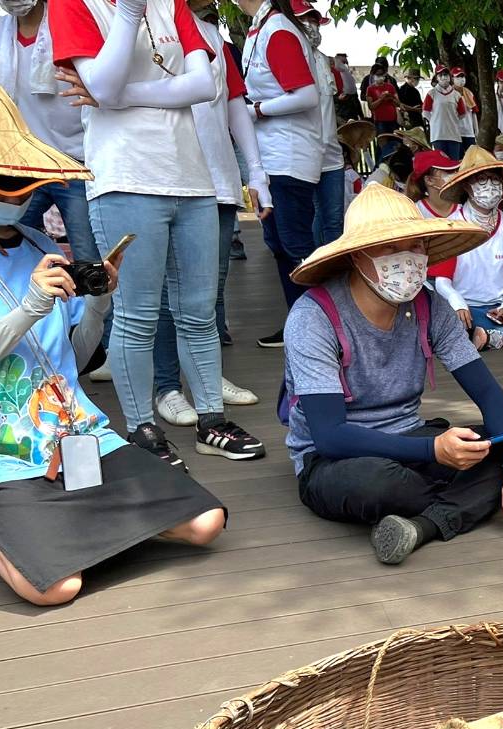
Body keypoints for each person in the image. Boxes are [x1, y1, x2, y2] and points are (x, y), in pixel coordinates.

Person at [0, 77, 224, 604]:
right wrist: (31, 307)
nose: (11, 191)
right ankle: (8, 528)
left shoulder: (38, 243)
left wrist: (98, 301)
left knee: (206, 522)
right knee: (57, 589)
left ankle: (65, 526)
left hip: (76, 432)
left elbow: (77, 355)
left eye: (17, 179)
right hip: (0, 451)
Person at [52, 0, 265, 464]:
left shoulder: (173, 4)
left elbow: (203, 85)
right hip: (124, 178)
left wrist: (122, 96)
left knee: (199, 312)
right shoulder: (72, 4)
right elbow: (102, 84)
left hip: (192, 178)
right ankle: (141, 428)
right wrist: (130, 13)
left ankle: (212, 420)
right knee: (137, 315)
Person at [284, 184, 503, 564]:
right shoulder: (314, 317)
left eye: (416, 245)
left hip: (411, 437)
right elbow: (329, 435)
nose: (406, 259)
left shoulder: (430, 307)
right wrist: (434, 451)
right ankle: (458, 503)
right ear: (356, 255)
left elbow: (488, 394)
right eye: (389, 248)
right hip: (338, 459)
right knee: (378, 484)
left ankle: (421, 527)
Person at [152, 0, 267, 427]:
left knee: (208, 292)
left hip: (216, 179)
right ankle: (166, 386)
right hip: (164, 177)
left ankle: (207, 378)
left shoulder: (213, 36)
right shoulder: (141, 23)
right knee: (166, 295)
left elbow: (234, 103)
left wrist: (256, 171)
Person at [229, 0, 323, 327]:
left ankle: (321, 328)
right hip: (273, 158)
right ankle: (300, 326)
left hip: (288, 157)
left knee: (296, 247)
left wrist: (257, 110)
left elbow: (306, 95)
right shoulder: (263, 28)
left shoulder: (278, 29)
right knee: (281, 246)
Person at [0, 0, 92, 266]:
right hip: (25, 168)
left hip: (77, 161)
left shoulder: (71, 21)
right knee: (6, 247)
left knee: (88, 260)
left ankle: (85, 296)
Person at [429, 147, 503, 350]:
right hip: (469, 309)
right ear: (466, 186)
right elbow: (442, 283)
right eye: (482, 180)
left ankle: (500, 335)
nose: (490, 186)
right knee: (449, 316)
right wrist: (457, 303)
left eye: (495, 179)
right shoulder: (452, 226)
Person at [292, 0, 343, 252]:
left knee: (334, 220)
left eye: (314, 21)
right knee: (309, 219)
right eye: (305, 20)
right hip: (304, 153)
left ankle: (333, 269)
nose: (312, 26)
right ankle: (315, 267)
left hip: (331, 153)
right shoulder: (289, 59)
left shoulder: (324, 61)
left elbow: (338, 97)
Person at [424, 66, 466, 161]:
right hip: (438, 135)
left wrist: (452, 120)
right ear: (437, 78)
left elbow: (462, 114)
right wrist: (435, 122)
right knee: (441, 163)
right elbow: (425, 112)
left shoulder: (456, 95)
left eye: (446, 75)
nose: (444, 77)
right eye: (441, 75)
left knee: (454, 163)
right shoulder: (432, 93)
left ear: (450, 77)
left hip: (454, 134)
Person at [364, 62, 400, 159]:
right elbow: (371, 106)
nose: (380, 77)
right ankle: (380, 162)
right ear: (373, 75)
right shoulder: (370, 89)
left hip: (392, 119)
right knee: (382, 143)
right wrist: (381, 99)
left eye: (382, 75)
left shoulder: (390, 87)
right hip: (380, 121)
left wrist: (391, 98)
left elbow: (398, 103)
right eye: (378, 74)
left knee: (394, 143)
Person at [452, 67, 477, 153]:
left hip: (469, 132)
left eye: (462, 77)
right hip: (455, 132)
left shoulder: (469, 94)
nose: (461, 79)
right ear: (452, 78)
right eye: (458, 77)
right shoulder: (450, 94)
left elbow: (474, 113)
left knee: (471, 156)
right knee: (458, 157)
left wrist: (476, 131)